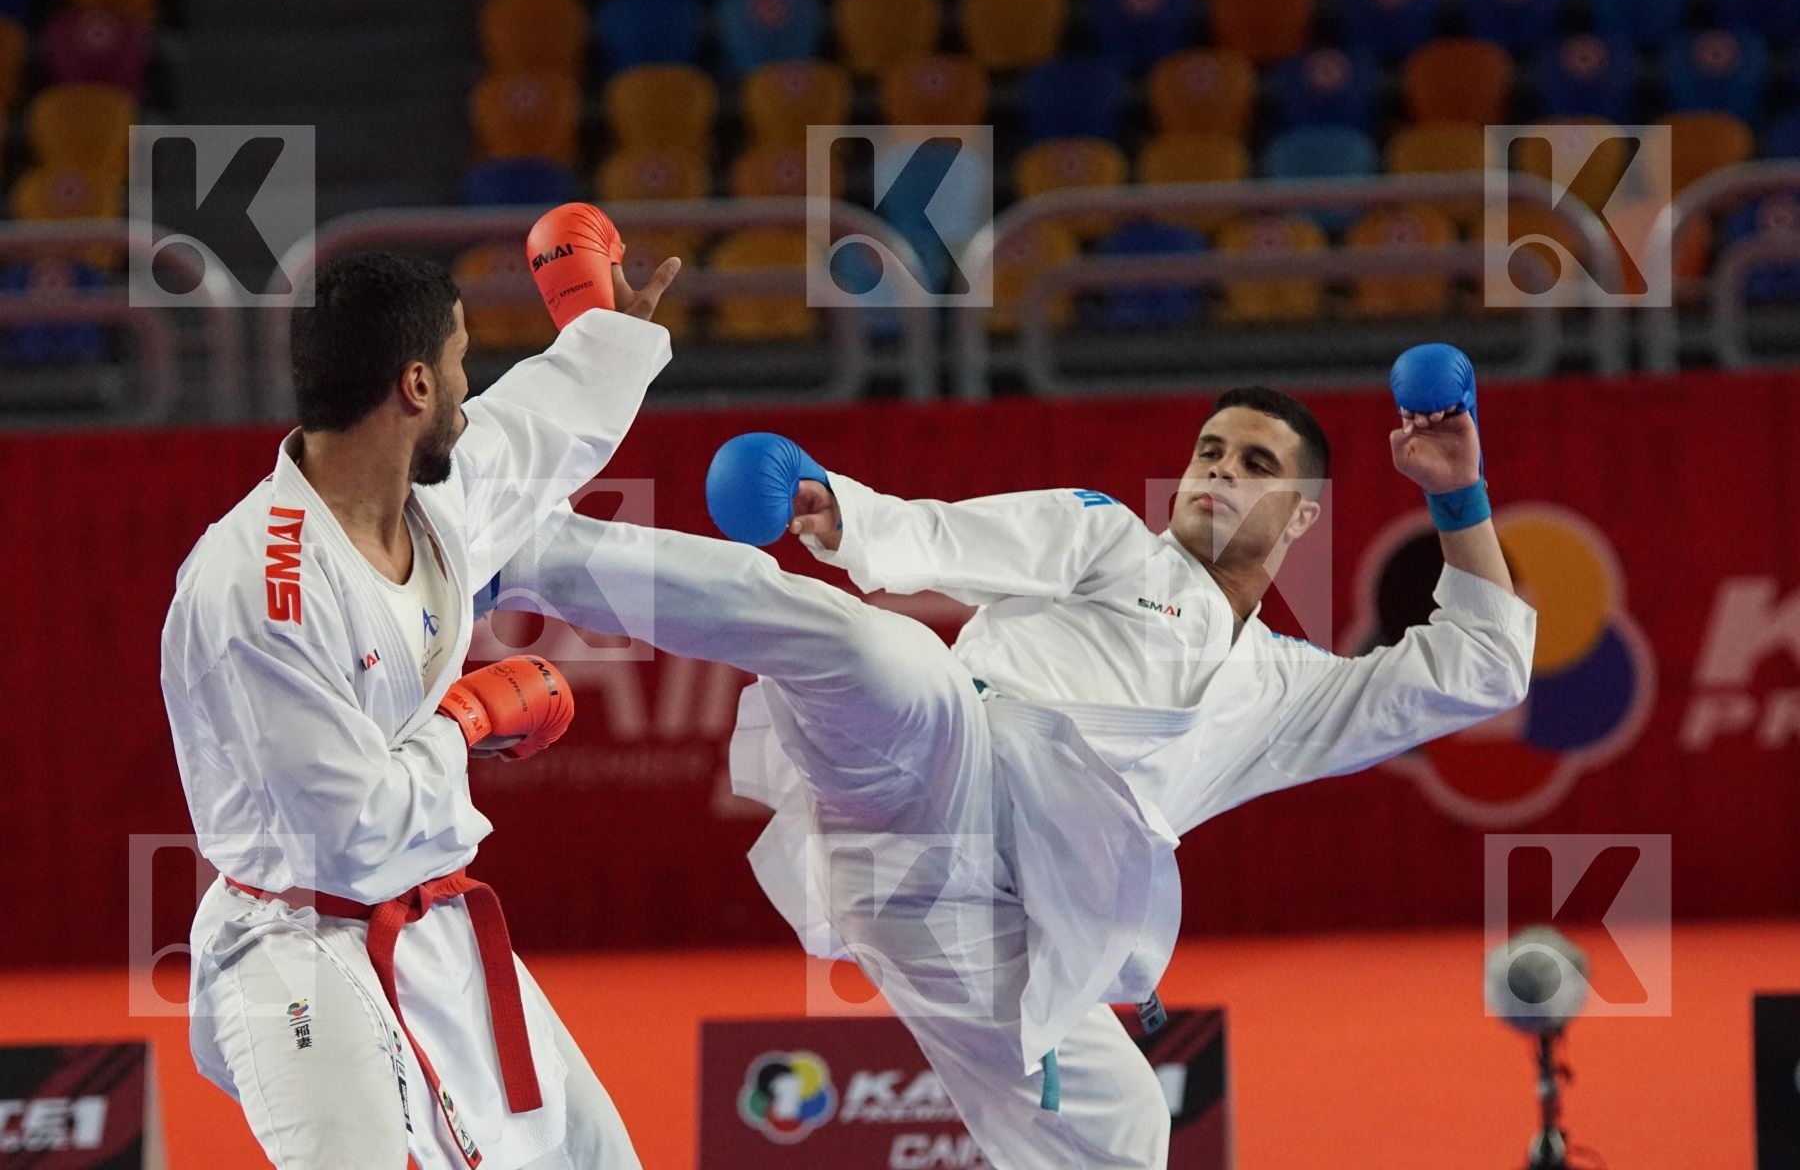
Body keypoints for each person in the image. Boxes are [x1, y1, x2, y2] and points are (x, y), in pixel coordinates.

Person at [491, 233, 1535, 1167]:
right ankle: (526, 552)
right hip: (933, 779)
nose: (1218, 473)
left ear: (1304, 514)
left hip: (1004, 933)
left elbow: (1482, 668)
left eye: (1255, 465)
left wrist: (1458, 493)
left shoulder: (1285, 690)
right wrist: (836, 507)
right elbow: (942, 535)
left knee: (1125, 1127)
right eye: (1209, 452)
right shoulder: (1109, 539)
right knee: (872, 648)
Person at [160, 213, 680, 1170]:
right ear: (416, 386)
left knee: (595, 1157)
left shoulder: (427, 498)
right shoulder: (262, 588)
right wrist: (467, 718)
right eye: (461, 363)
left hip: (432, 922)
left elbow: (542, 431)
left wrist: (607, 334)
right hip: (299, 945)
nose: (469, 393)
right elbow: (347, 824)